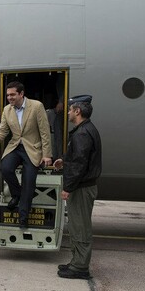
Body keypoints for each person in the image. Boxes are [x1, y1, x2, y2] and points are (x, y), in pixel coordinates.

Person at [0, 81, 52, 230]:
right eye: (8, 95)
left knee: (29, 183)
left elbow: (45, 132)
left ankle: (23, 217)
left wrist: (47, 155)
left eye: (12, 95)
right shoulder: (7, 110)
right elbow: (3, 131)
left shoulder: (36, 106)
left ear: (21, 94)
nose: (9, 98)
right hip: (15, 146)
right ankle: (16, 194)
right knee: (5, 168)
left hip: (32, 148)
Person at [53, 95, 102, 280]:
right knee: (77, 225)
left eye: (70, 109)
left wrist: (68, 187)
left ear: (77, 111)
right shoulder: (86, 129)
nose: (67, 112)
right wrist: (64, 161)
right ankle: (76, 262)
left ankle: (80, 267)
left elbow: (80, 164)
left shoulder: (82, 133)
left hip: (80, 188)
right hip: (82, 186)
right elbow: (79, 158)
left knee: (80, 227)